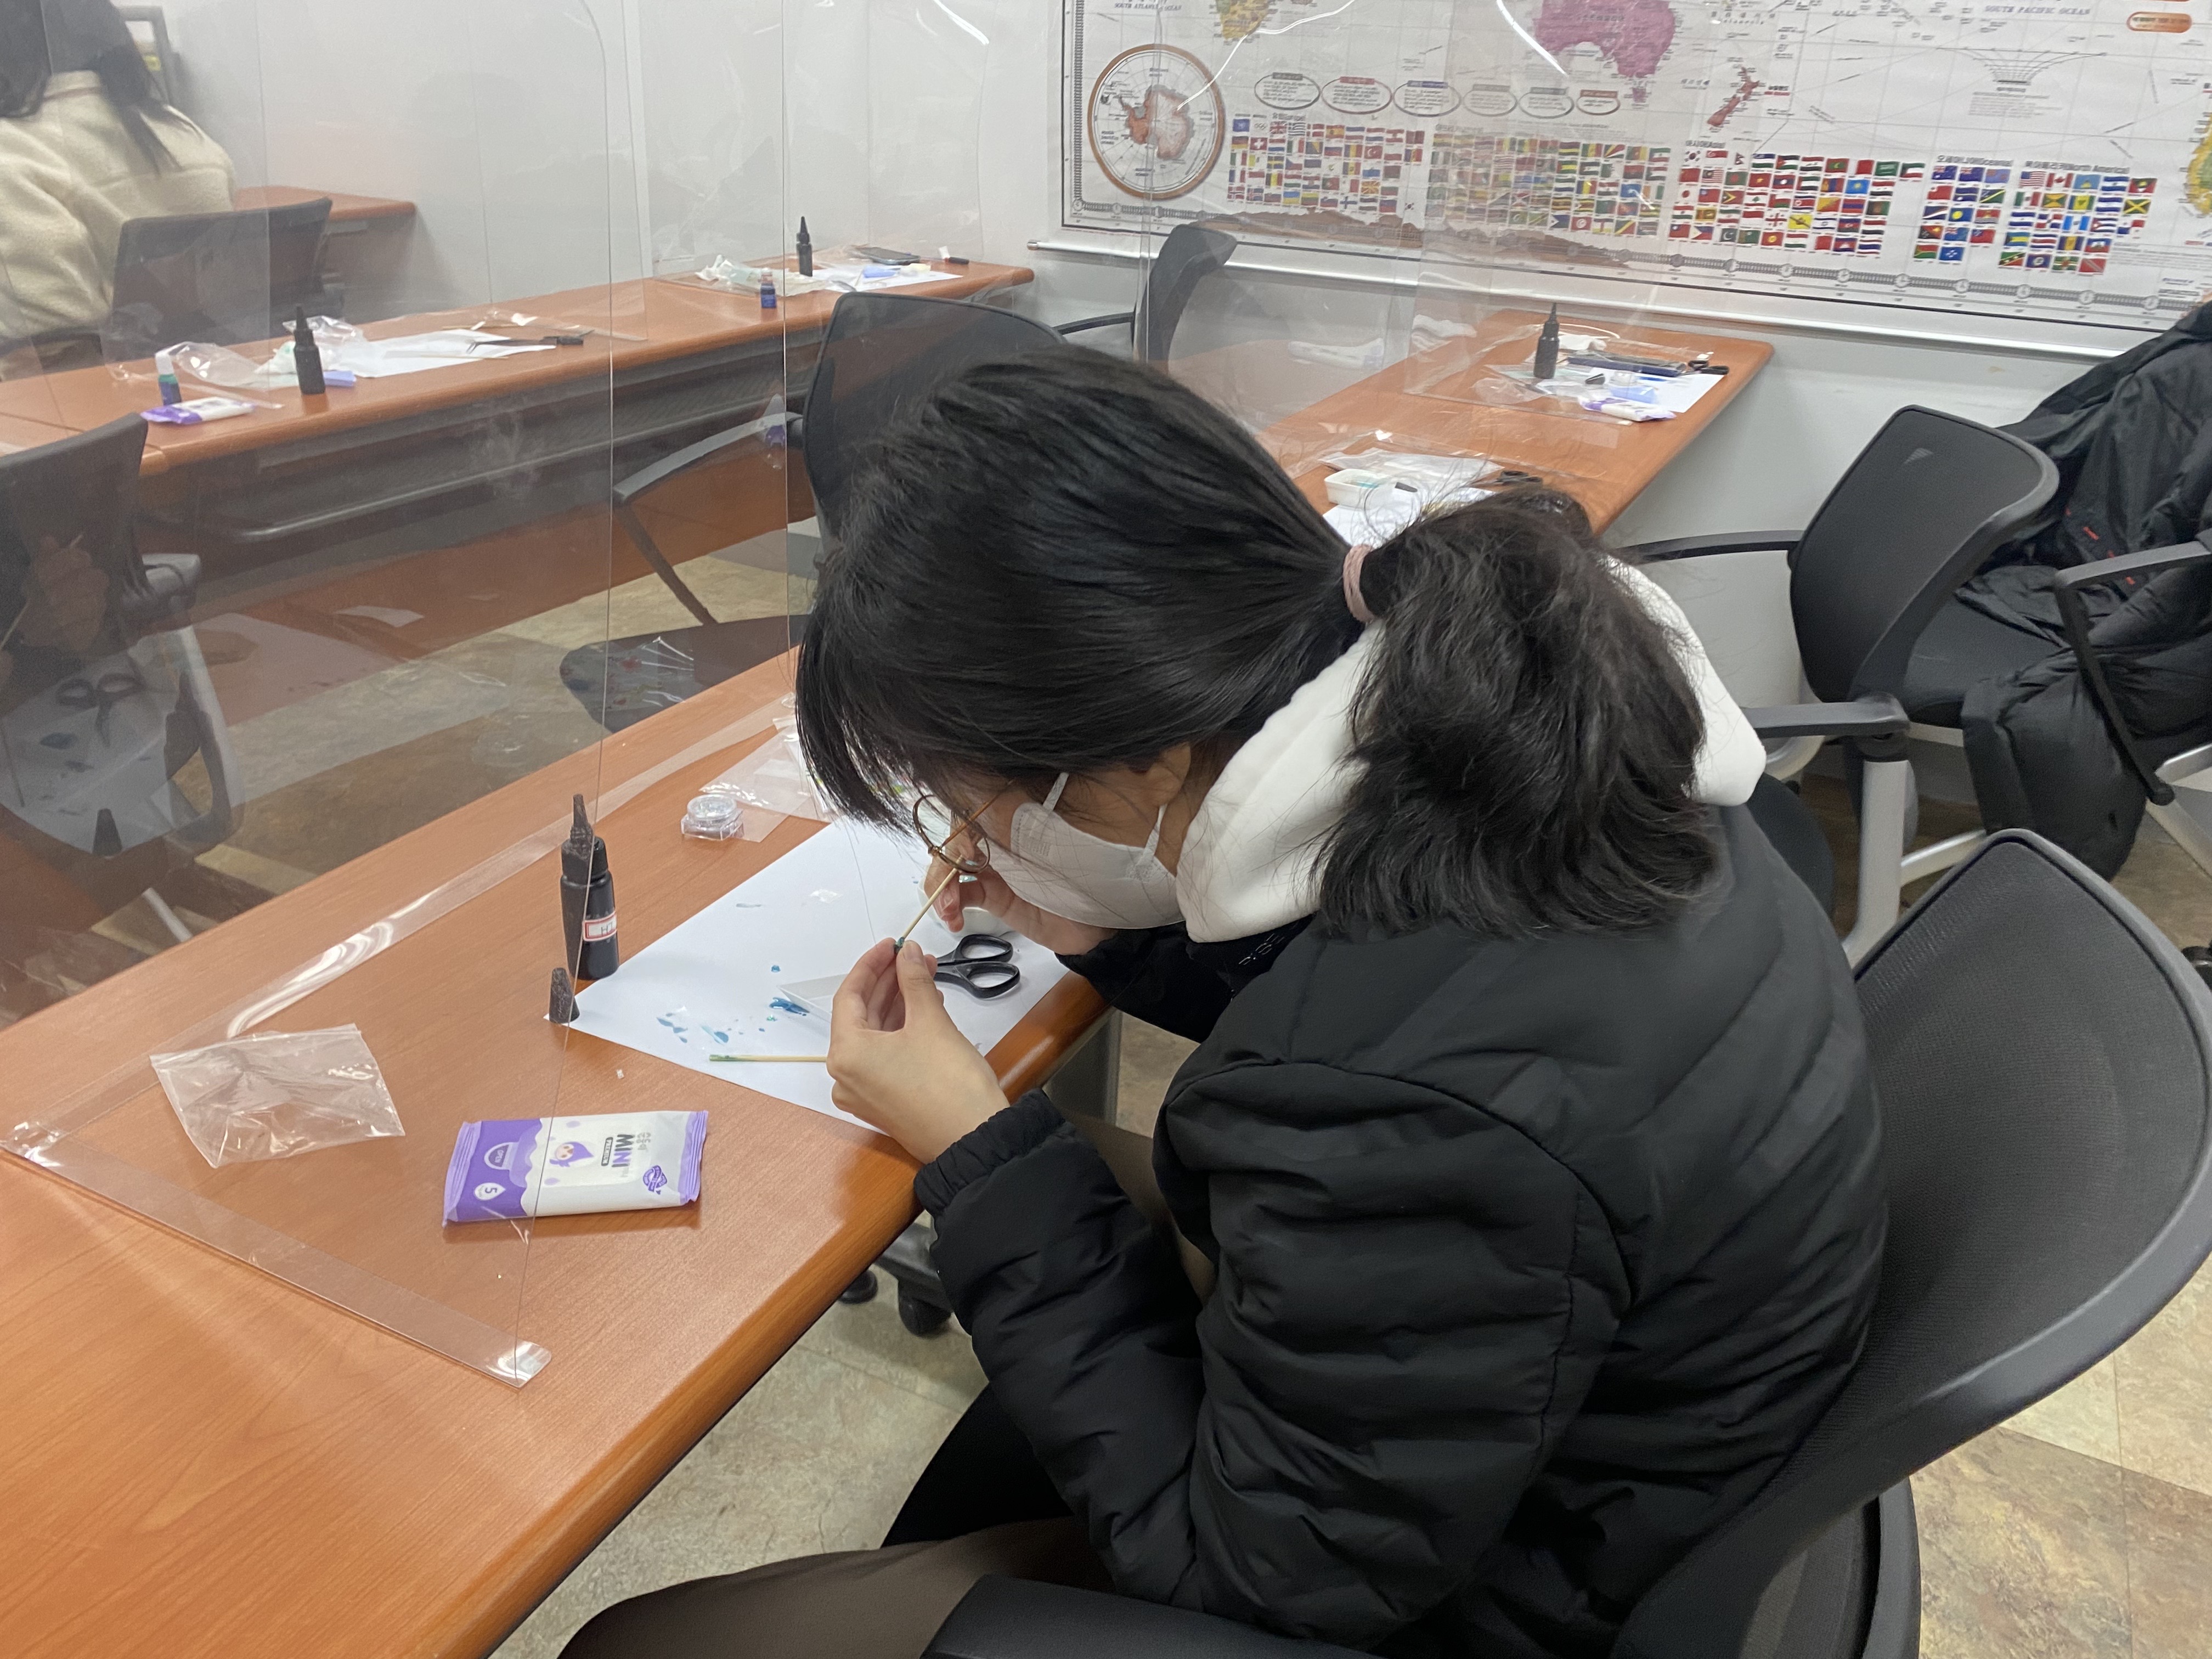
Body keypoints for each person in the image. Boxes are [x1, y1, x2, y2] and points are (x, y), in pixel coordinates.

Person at [562, 353, 1885, 1659]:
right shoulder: (1550, 736)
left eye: (971, 800)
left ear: (1143, 756)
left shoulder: (1410, 1118)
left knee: (646, 1645)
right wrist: (1111, 928)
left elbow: (1252, 1578)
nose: (970, 837)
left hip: (1500, 1596)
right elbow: (1384, 991)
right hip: (1580, 1421)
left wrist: (976, 1142)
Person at [0, 0, 234, 351]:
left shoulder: (11, 151)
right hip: (212, 366)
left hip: (83, 375)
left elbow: (51, 338)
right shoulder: (183, 131)